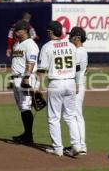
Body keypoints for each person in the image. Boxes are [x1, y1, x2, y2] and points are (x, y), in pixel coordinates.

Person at [37, 21, 80, 157]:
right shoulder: (71, 45)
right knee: (70, 116)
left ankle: (58, 148)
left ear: (50, 32)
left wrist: (38, 87)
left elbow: (41, 70)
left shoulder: (47, 47)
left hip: (56, 83)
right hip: (71, 82)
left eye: (48, 31)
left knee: (54, 118)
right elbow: (78, 68)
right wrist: (77, 83)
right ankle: (76, 145)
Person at [11, 20, 39, 144]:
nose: (15, 31)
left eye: (18, 29)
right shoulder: (17, 44)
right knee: (22, 108)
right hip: (16, 78)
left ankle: (29, 136)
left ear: (25, 30)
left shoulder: (30, 44)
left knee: (26, 106)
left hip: (25, 78)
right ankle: (26, 134)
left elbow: (31, 62)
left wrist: (26, 77)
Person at [68, 26, 88, 155]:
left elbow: (76, 70)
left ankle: (81, 146)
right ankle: (81, 145)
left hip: (77, 84)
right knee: (76, 114)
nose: (70, 38)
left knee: (76, 114)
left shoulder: (79, 51)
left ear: (77, 37)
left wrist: (75, 84)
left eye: (72, 36)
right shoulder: (81, 50)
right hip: (80, 83)